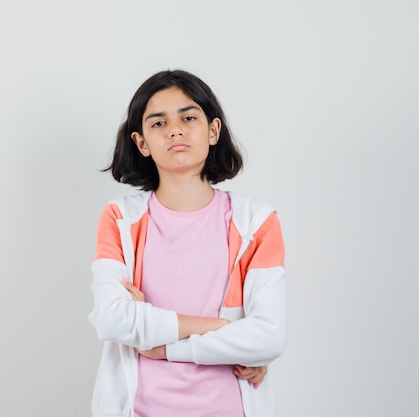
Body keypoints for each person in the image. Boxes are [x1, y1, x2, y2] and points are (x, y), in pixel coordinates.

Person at [88, 70, 287, 417]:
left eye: (188, 117)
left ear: (213, 131)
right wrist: (225, 332)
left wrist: (163, 346)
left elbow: (269, 338)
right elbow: (111, 321)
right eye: (158, 123)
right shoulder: (120, 219)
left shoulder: (256, 222)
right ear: (142, 143)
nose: (175, 129)